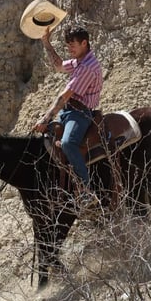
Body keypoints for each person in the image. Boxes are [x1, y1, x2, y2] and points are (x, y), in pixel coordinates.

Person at [33, 25, 103, 196]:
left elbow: (64, 96)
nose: (69, 49)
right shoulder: (80, 61)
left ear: (84, 43)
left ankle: (87, 191)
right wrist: (46, 42)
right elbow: (58, 66)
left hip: (80, 114)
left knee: (67, 143)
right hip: (68, 112)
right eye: (68, 45)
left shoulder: (87, 67)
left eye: (73, 45)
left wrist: (46, 118)